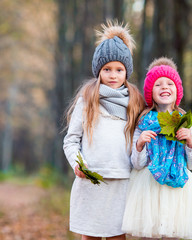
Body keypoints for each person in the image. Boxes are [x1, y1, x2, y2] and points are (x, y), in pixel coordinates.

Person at [63, 21, 145, 240]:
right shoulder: (88, 100)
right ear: (98, 71)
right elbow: (71, 140)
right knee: (90, 236)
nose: (113, 75)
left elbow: (139, 140)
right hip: (92, 180)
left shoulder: (135, 103)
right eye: (107, 69)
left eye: (119, 70)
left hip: (122, 181)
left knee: (117, 236)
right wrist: (77, 162)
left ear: (127, 71)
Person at [121, 57, 192, 239]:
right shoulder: (143, 121)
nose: (164, 87)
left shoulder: (185, 122)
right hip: (149, 185)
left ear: (177, 91)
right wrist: (140, 144)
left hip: (178, 187)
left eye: (170, 83)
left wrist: (190, 142)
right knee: (149, 234)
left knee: (174, 234)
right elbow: (137, 164)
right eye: (158, 84)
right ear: (150, 92)